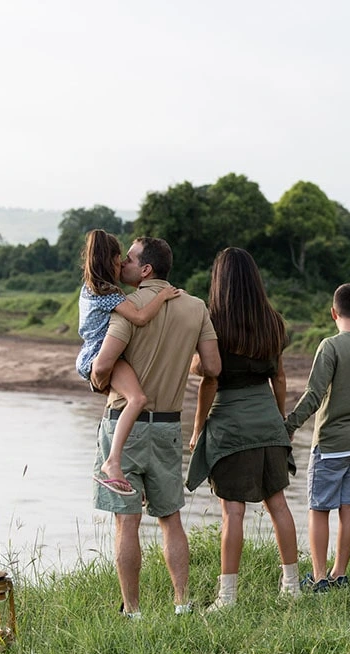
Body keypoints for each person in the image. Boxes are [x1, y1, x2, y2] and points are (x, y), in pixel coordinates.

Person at [90, 236, 220, 618]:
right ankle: (181, 602)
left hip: (124, 428)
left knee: (126, 522)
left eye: (129, 259)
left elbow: (102, 365)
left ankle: (132, 610)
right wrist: (181, 363)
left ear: (146, 269)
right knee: (171, 518)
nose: (122, 265)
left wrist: (99, 384)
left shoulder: (126, 309)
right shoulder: (196, 307)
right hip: (168, 426)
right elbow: (212, 368)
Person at [186, 247, 301, 609]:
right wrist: (280, 422)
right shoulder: (273, 321)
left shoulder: (212, 323)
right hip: (268, 419)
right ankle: (293, 587)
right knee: (278, 504)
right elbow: (279, 377)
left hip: (230, 425)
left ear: (219, 282)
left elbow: (208, 378)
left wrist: (197, 428)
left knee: (232, 511)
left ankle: (228, 598)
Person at [284, 283, 350, 592]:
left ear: (333, 313)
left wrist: (290, 426)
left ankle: (318, 578)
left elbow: (314, 395)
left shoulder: (330, 346)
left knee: (319, 507)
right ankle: (339, 574)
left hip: (331, 443)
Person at [76, 228, 180, 496]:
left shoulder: (90, 288)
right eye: (119, 258)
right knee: (137, 399)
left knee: (129, 400)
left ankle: (123, 466)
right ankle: (113, 462)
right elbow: (141, 317)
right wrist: (163, 295)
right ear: (108, 260)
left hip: (88, 354)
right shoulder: (109, 293)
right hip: (100, 354)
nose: (122, 263)